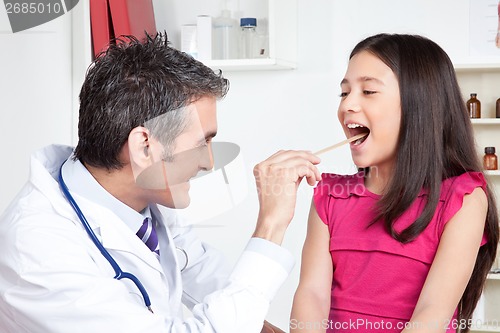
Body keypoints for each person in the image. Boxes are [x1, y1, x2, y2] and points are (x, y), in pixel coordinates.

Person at [0, 33, 321, 333]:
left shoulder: (143, 198)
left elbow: (219, 287)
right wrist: (270, 226)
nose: (209, 162)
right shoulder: (39, 252)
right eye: (201, 143)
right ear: (144, 147)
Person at [290, 33, 499, 333]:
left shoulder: (463, 199)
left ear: (420, 105)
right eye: (345, 93)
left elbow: (432, 314)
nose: (348, 104)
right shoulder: (330, 196)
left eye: (369, 91)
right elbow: (312, 295)